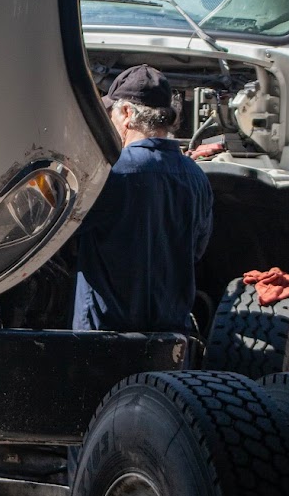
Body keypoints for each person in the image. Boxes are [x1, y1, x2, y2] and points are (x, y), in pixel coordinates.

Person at [73, 64, 213, 334]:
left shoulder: (109, 172)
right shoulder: (197, 177)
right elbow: (196, 250)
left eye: (110, 114)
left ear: (126, 113)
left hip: (104, 336)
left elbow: (61, 234)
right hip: (170, 335)